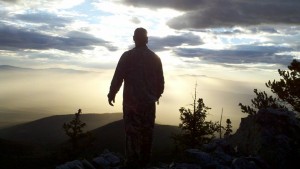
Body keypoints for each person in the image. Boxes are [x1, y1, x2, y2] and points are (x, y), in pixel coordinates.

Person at [107, 27, 164, 168]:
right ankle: (145, 162)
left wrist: (112, 93)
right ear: (147, 39)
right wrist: (155, 96)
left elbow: (118, 77)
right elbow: (160, 82)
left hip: (131, 103)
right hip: (149, 103)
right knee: (147, 132)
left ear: (134, 38)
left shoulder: (127, 56)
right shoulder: (155, 58)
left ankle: (132, 163)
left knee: (132, 133)